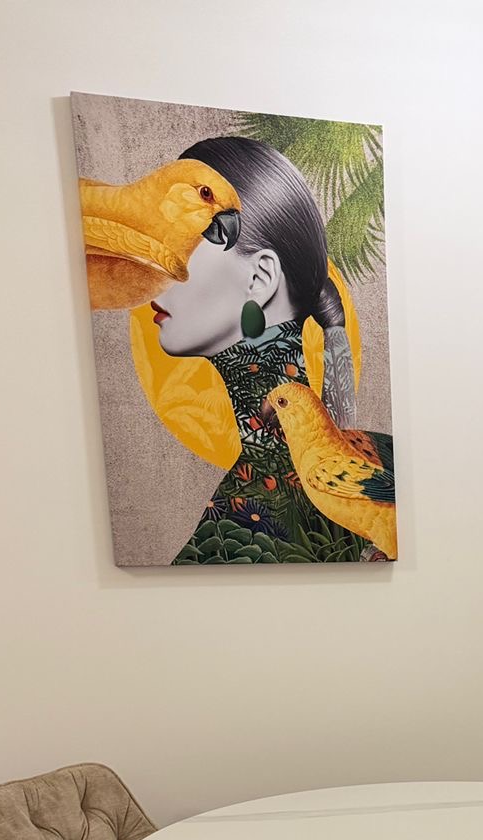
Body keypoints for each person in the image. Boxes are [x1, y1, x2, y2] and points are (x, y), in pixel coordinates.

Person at [154, 136, 375, 564]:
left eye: (180, 243)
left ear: (259, 279)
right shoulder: (353, 471)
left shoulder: (242, 523)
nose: (154, 268)